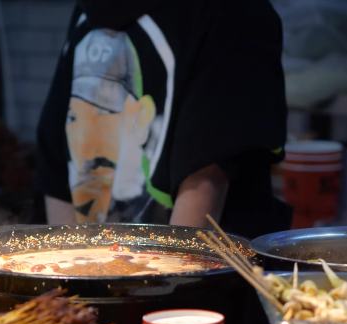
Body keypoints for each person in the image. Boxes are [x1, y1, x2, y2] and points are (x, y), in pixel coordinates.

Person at [35, 0, 291, 324]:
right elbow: (58, 160)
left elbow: (205, 179)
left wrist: (77, 299)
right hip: (133, 310)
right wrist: (60, 293)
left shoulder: (232, 13)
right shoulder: (94, 8)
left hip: (189, 310)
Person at [35, 0, 290, 239]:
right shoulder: (232, 12)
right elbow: (56, 165)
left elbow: (206, 177)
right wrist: (67, 277)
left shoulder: (231, 14)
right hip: (172, 278)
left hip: (195, 271)